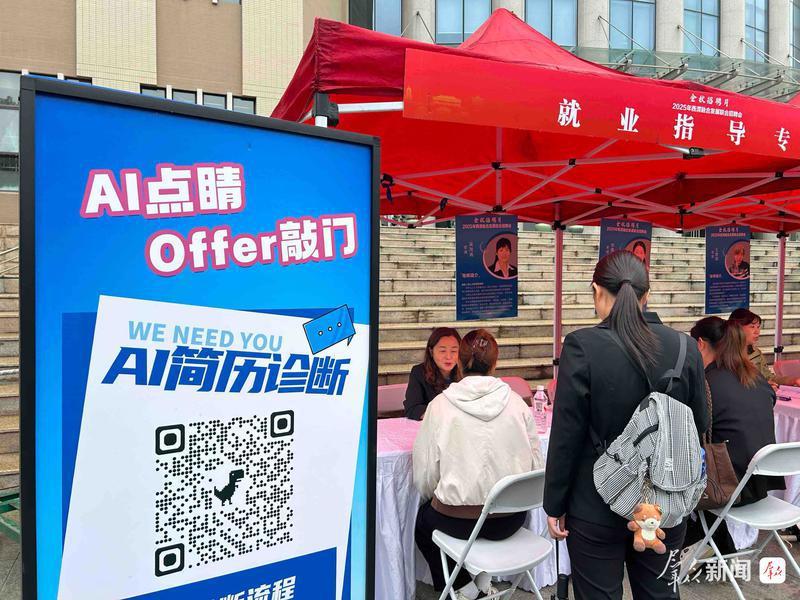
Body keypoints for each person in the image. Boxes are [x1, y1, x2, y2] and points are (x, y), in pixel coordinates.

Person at [543, 250, 708, 600]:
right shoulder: (684, 347)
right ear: (647, 295)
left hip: (595, 500)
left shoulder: (581, 346)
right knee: (660, 595)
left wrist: (554, 504)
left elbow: (566, 437)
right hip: (664, 498)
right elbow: (701, 424)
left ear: (596, 290)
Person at [413, 329, 544, 600]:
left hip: (455, 521)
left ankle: (462, 588)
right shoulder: (517, 404)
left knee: (423, 523)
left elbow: (425, 477)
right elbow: (536, 464)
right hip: (511, 520)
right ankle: (472, 586)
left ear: (460, 363)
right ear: (495, 363)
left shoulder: (439, 406)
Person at [685, 316, 784, 556]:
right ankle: (714, 545)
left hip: (725, 490)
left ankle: (703, 545)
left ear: (700, 344)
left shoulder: (705, 384)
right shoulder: (756, 377)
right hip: (762, 485)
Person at [728, 308, 800, 387]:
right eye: (752, 327)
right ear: (737, 328)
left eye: (758, 327)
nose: (757, 332)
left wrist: (793, 380)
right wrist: (762, 387)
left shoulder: (756, 353)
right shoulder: (727, 356)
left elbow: (769, 377)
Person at [404, 327, 461, 420]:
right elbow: (412, 409)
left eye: (454, 351)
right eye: (442, 351)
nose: (448, 357)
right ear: (431, 352)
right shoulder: (419, 372)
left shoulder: (466, 373)